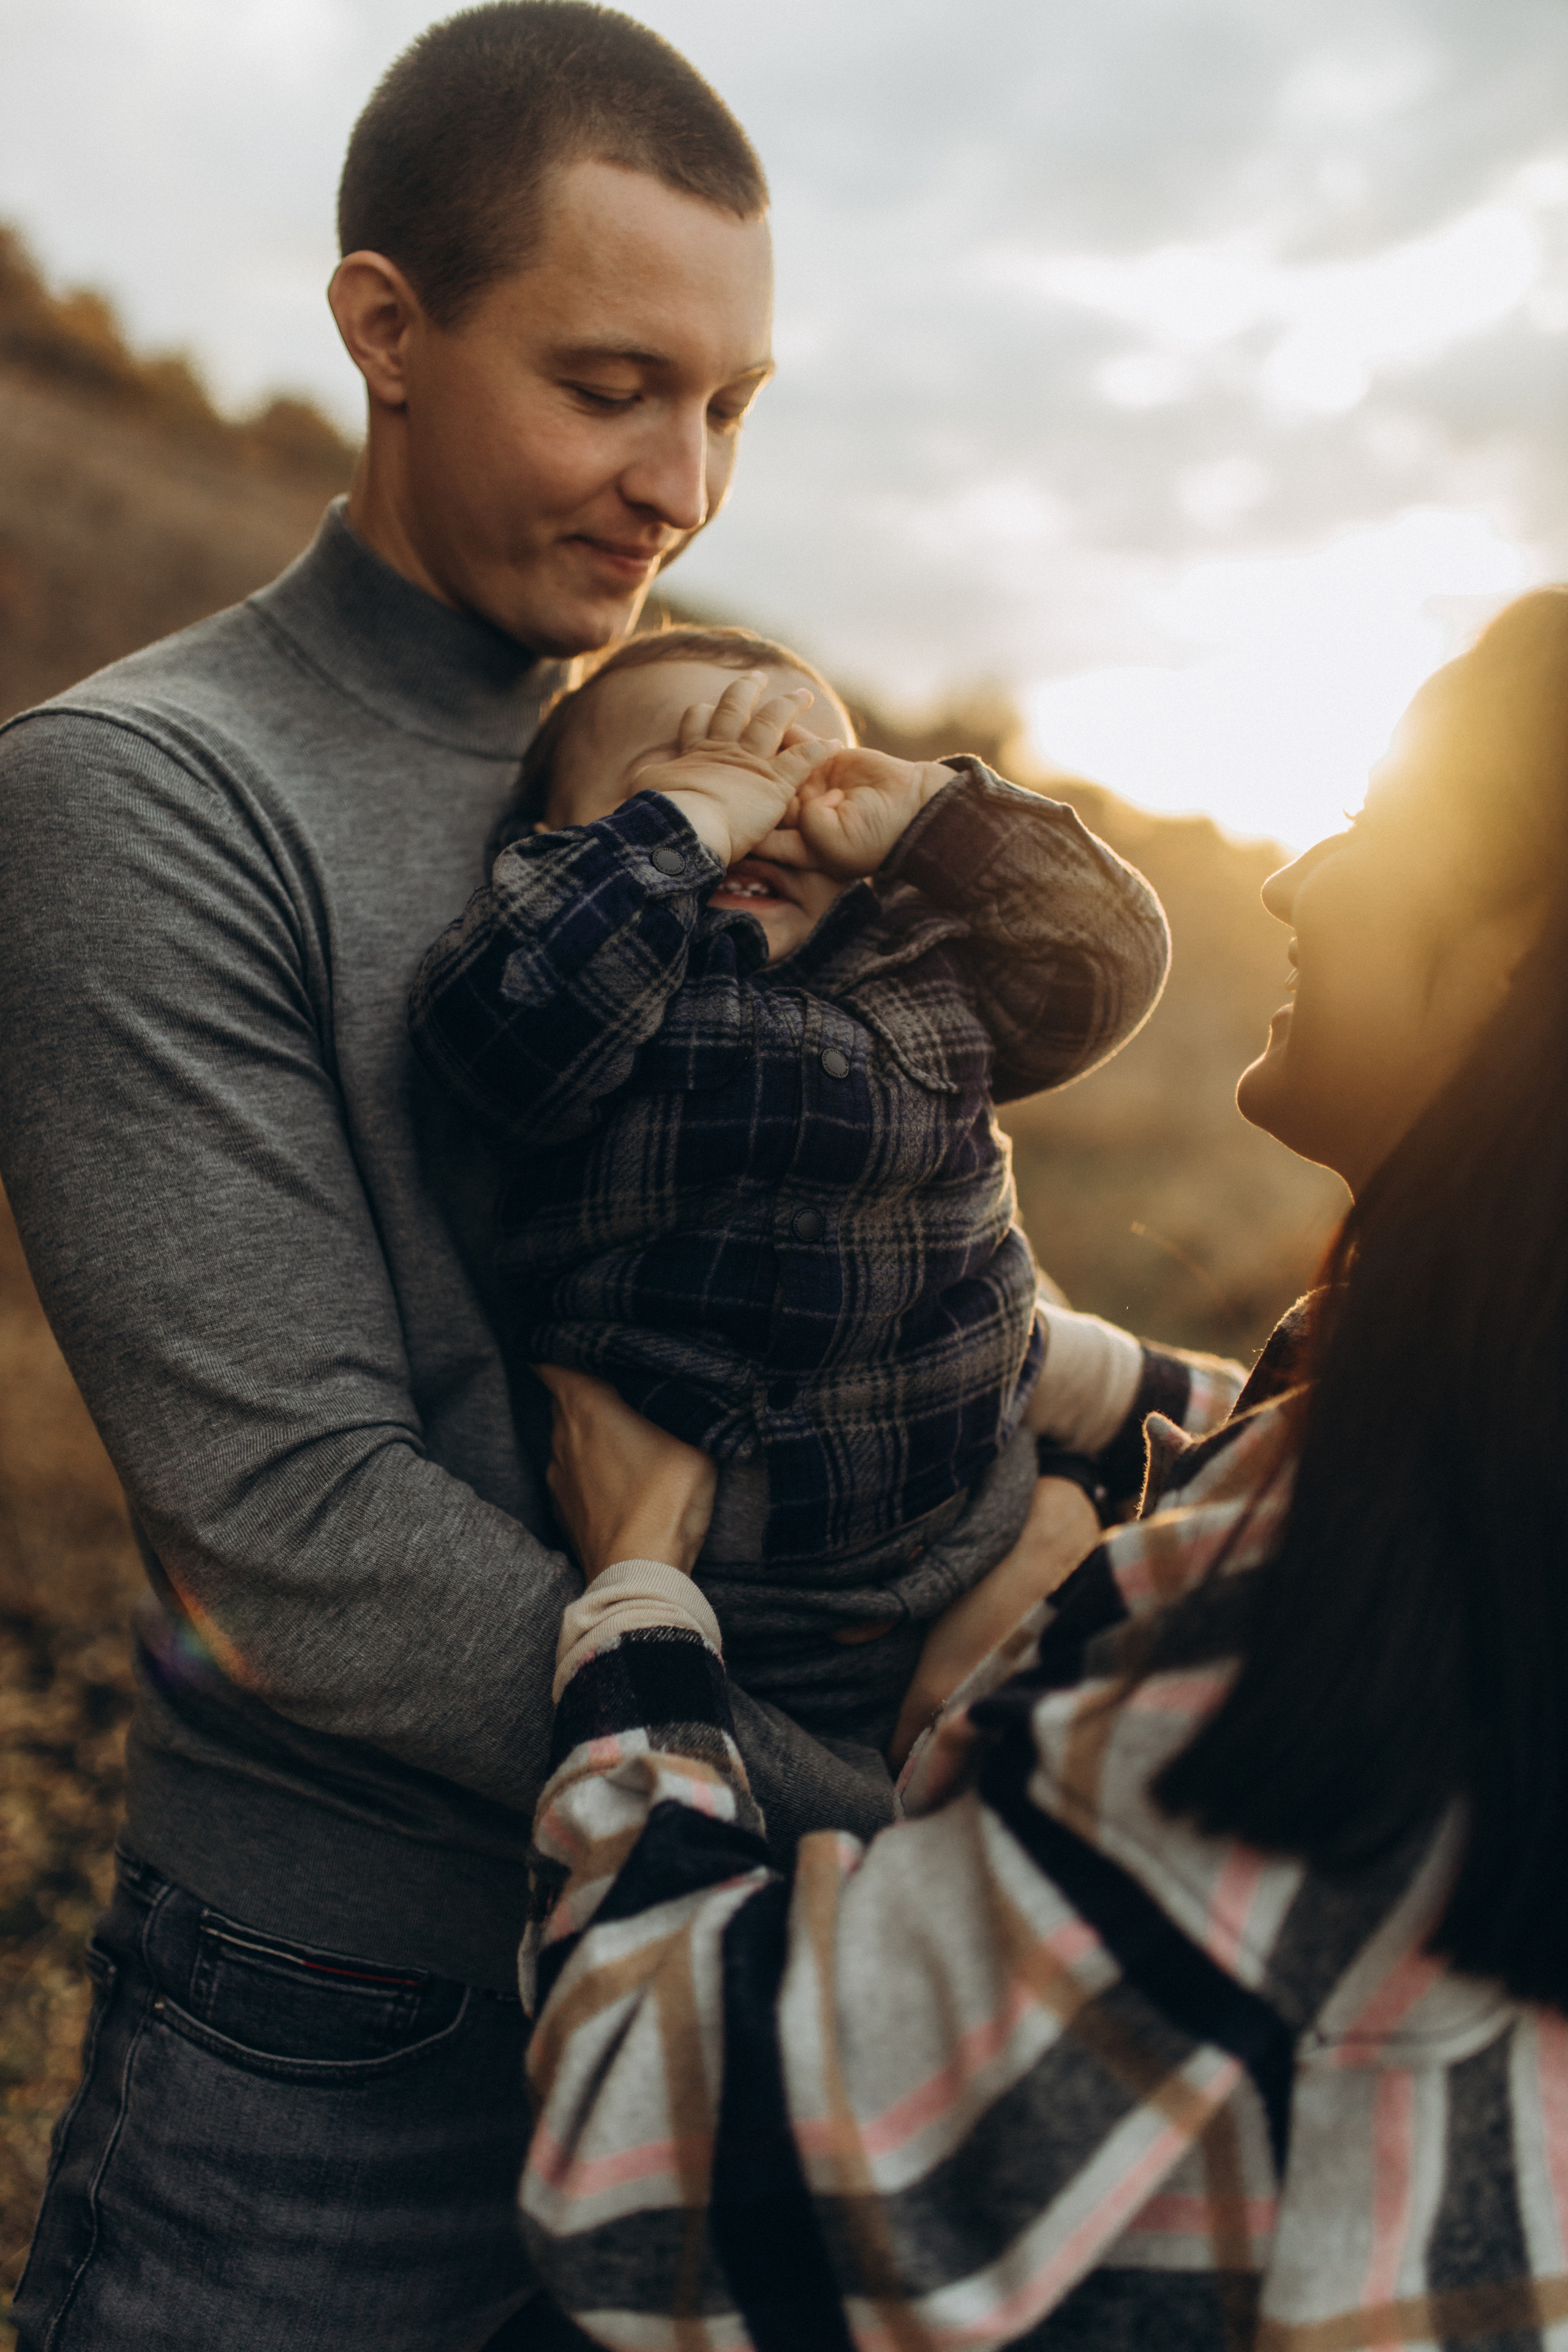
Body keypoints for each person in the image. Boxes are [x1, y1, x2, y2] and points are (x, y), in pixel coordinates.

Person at [1, 8, 796, 2348]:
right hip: (340, 2034)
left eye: (734, 406)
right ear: (384, 330)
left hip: (716, 2006)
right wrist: (898, 1807)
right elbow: (304, 1538)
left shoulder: (686, 775)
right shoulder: (142, 792)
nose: (686, 485)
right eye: (614, 384)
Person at [514, 588, 1568, 2349]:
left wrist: (639, 1609)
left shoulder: (1298, 1635)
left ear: (1525, 948)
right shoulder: (1477, 1447)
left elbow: (652, 2159)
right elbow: (1334, 1426)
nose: (1298, 883)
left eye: (1377, 829)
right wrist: (1063, 1381)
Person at [409, 621, 1222, 1784]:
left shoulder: (919, 957)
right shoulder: (586, 994)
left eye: (798, 780)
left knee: (1149, 1680)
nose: (757, 808)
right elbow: (495, 1026)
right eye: (688, 775)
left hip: (991, 1496)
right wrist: (682, 834)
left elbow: (1107, 965)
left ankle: (1225, 1418)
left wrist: (934, 818)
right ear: (547, 849)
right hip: (745, 1604)